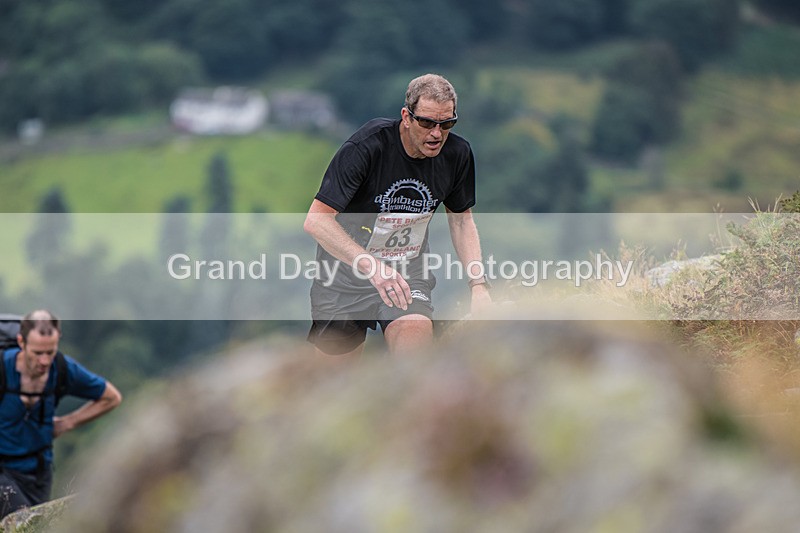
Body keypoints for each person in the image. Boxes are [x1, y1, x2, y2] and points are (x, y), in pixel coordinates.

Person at [304, 73, 491, 358]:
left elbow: (462, 221)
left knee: (414, 354)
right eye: (427, 122)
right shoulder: (367, 147)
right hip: (342, 276)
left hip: (406, 274)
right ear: (406, 116)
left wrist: (478, 287)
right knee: (334, 387)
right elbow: (316, 220)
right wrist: (372, 267)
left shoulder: (457, 154)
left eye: (447, 123)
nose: (436, 134)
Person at [0, 310, 122, 518]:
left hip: (38, 473)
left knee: (38, 526)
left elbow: (111, 397)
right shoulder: (2, 367)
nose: (45, 361)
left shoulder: (62, 369)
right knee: (21, 521)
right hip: (2, 471)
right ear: (22, 342)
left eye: (50, 352)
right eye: (37, 353)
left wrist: (68, 423)